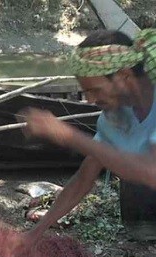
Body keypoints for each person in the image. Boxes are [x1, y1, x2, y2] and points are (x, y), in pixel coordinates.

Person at [20, 29, 156, 242]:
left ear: (124, 75)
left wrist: (69, 136)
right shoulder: (113, 119)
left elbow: (151, 171)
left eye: (96, 90)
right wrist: (34, 234)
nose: (91, 100)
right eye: (85, 92)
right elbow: (84, 178)